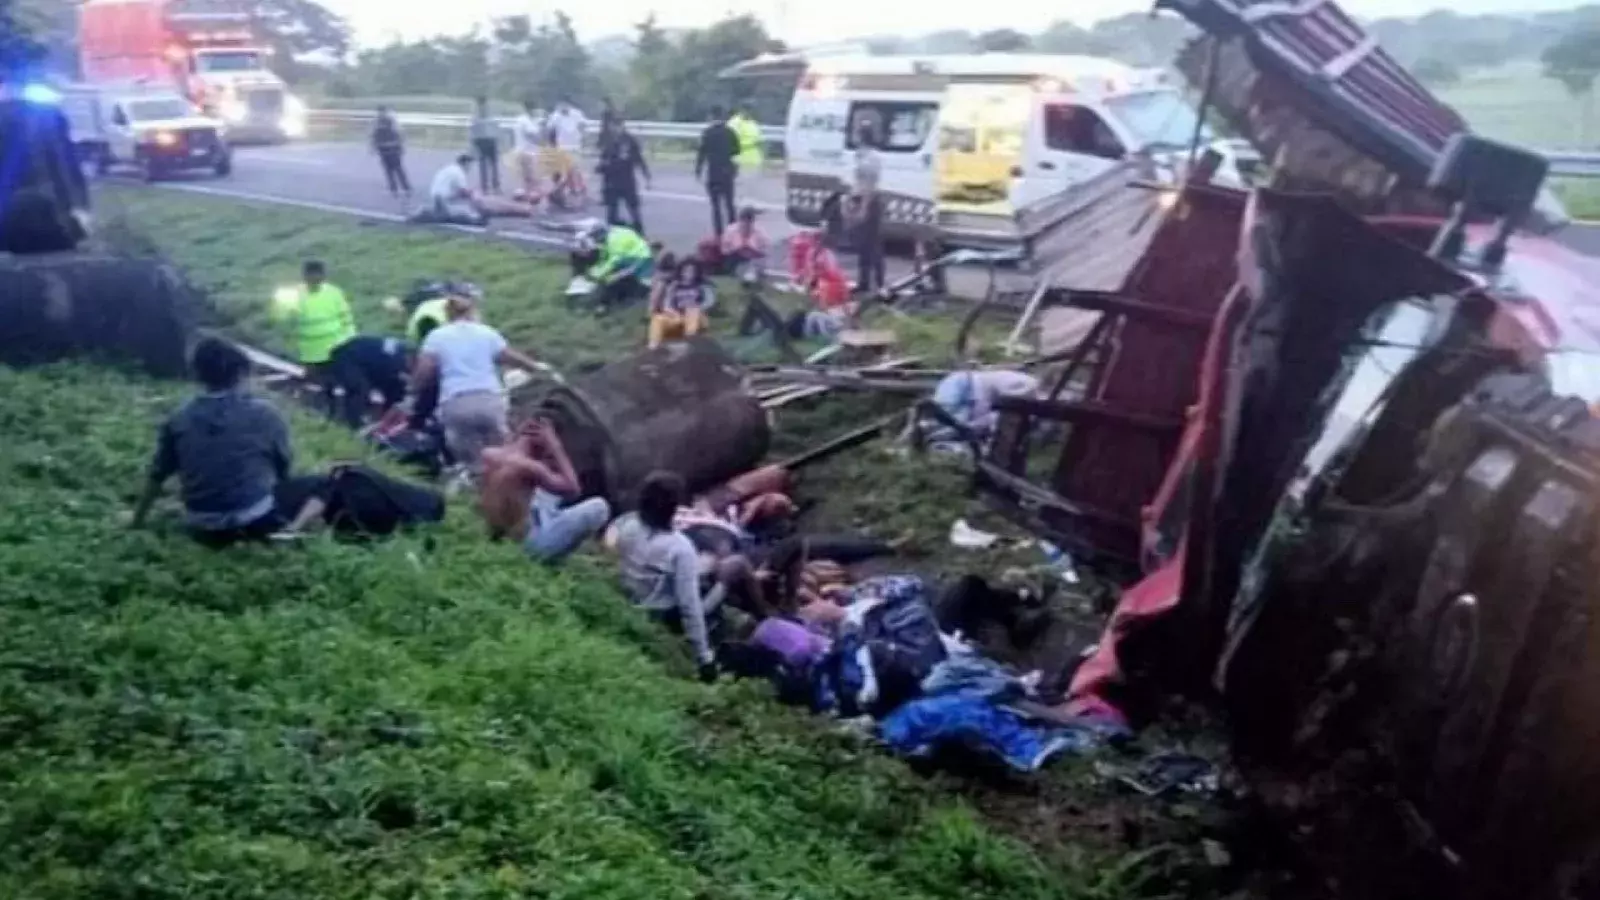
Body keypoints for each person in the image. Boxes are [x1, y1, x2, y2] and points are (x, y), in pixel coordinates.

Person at [128, 337, 326, 545]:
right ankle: (290, 531)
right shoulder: (266, 413)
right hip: (255, 519)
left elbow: (157, 474)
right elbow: (283, 466)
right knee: (322, 483)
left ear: (198, 374)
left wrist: (136, 520)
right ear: (241, 373)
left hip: (201, 523)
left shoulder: (179, 417)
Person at [410, 293, 544, 481]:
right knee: (506, 455)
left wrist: (413, 390)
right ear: (472, 312)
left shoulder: (436, 337)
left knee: (475, 464)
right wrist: (536, 367)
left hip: (455, 404)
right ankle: (517, 494)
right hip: (488, 400)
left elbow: (424, 370)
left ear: (448, 316)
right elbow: (509, 356)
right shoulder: (486, 332)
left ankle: (482, 492)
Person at [610, 471, 724, 681]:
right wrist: (703, 658)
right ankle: (714, 643)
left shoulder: (628, 525)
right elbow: (688, 607)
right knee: (722, 583)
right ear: (674, 508)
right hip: (660, 613)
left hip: (629, 595)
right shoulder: (679, 548)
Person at [480, 419, 611, 563]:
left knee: (546, 493)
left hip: (499, 533)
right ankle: (555, 559)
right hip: (526, 546)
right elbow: (574, 489)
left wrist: (518, 435)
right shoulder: (531, 468)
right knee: (599, 507)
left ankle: (553, 522)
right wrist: (556, 447)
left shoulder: (489, 454)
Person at [270, 259, 359, 422]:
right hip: (312, 351)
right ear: (305, 276)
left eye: (319, 275)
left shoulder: (334, 292)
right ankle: (325, 413)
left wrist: (350, 340)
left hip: (336, 348)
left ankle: (342, 415)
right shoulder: (295, 296)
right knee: (322, 385)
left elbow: (346, 317)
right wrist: (280, 304)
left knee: (341, 383)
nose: (316, 279)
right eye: (312, 276)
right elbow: (280, 318)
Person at [324, 334, 410, 429]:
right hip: (347, 357)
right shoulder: (398, 361)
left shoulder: (400, 357)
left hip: (365, 360)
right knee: (360, 390)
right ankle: (352, 425)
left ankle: (381, 419)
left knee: (394, 388)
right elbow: (389, 384)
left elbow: (394, 389)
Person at [575, 222, 654, 313]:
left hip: (639, 259)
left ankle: (610, 302)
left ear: (600, 234)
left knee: (612, 278)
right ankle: (619, 295)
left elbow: (613, 262)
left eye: (595, 237)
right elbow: (605, 256)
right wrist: (596, 269)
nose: (595, 240)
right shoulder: (611, 234)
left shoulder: (614, 241)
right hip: (631, 256)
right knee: (609, 277)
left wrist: (597, 275)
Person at [597, 118, 650, 233]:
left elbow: (639, 158)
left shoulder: (630, 140)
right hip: (611, 181)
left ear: (622, 126)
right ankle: (612, 234)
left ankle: (639, 231)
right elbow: (603, 160)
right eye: (613, 126)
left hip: (626, 180)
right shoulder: (608, 141)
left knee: (633, 209)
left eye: (617, 126)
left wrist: (646, 175)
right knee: (612, 212)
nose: (615, 129)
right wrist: (600, 168)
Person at [648, 257, 713, 349]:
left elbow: (709, 302)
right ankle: (653, 346)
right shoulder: (674, 286)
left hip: (698, 317)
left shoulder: (702, 286)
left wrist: (695, 307)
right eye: (686, 270)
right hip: (679, 316)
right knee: (658, 318)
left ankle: (690, 340)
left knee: (692, 310)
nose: (688, 273)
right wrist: (673, 313)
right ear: (681, 271)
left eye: (692, 271)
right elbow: (667, 304)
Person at [694, 105, 740, 236]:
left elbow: (701, 153)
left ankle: (718, 234)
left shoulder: (707, 133)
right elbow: (736, 151)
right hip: (727, 171)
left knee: (716, 206)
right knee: (729, 204)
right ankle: (733, 231)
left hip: (713, 172)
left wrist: (698, 170)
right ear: (722, 116)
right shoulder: (730, 132)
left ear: (711, 116)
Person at [547, 100, 587, 202]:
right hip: (562, 148)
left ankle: (573, 189)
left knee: (575, 170)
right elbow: (550, 130)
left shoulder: (577, 114)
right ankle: (561, 191)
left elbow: (583, 125)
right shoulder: (555, 116)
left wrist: (580, 136)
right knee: (566, 172)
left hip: (575, 147)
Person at [371, 105, 410, 198]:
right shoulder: (378, 122)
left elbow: (400, 134)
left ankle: (405, 189)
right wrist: (373, 147)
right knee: (390, 171)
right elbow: (374, 136)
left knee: (397, 170)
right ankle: (395, 190)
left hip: (392, 148)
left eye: (382, 112)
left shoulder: (390, 121)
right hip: (384, 149)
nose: (381, 114)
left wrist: (401, 146)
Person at [511, 100, 546, 201]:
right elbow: (533, 136)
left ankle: (527, 195)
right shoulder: (526, 121)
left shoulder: (523, 120)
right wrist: (542, 132)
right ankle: (530, 198)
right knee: (532, 179)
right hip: (527, 153)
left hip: (523, 151)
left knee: (527, 178)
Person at [719, 205, 769, 276]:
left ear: (752, 221)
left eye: (749, 222)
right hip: (735, 259)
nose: (746, 224)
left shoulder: (760, 233)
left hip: (753, 259)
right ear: (740, 220)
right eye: (744, 221)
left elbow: (765, 251)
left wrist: (753, 252)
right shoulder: (731, 230)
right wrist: (736, 250)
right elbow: (724, 250)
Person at [469, 96, 500, 194]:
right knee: (484, 166)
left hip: (490, 141)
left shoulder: (490, 115)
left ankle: (495, 186)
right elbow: (473, 132)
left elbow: (496, 129)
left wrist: (497, 141)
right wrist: (473, 146)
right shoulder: (476, 116)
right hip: (482, 142)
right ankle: (485, 187)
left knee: (493, 166)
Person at [729, 106, 764, 173]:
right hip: (739, 158)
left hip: (754, 159)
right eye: (746, 110)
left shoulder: (753, 123)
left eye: (750, 111)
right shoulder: (734, 122)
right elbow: (731, 139)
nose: (748, 113)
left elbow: (759, 140)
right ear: (741, 111)